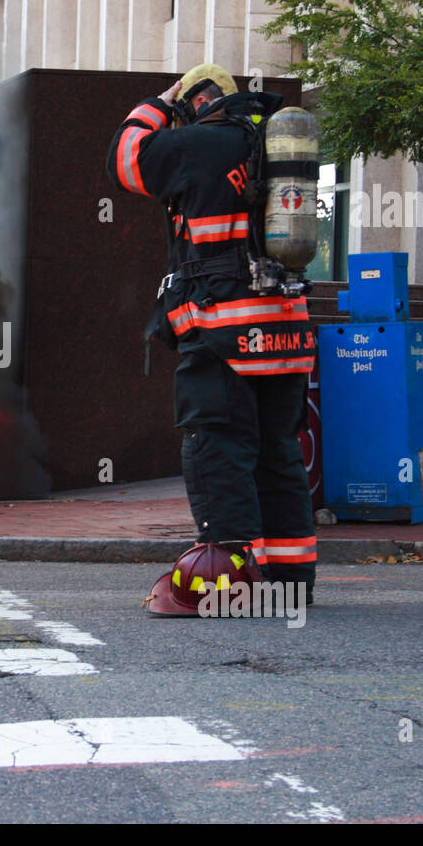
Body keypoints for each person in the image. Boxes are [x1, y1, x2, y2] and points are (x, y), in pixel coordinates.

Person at [105, 64, 317, 605]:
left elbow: (125, 159)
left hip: (223, 331)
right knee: (277, 454)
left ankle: (229, 581)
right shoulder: (271, 147)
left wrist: (156, 102)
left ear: (194, 104)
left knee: (218, 449)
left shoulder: (197, 145)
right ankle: (290, 585)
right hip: (287, 335)